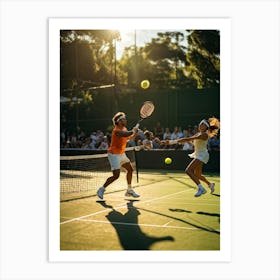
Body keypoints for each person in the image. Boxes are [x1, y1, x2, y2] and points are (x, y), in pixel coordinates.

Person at [162, 117, 220, 197]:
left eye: (202, 124)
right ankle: (210, 184)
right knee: (198, 175)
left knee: (188, 170)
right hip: (199, 154)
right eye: (200, 123)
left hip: (202, 155)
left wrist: (172, 142)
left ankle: (201, 188)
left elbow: (188, 139)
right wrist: (168, 142)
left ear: (206, 127)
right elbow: (190, 141)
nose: (200, 125)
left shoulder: (204, 135)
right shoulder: (198, 134)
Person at [97, 112, 140, 199]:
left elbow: (129, 137)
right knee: (116, 175)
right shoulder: (116, 130)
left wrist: (135, 133)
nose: (125, 120)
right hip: (114, 155)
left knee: (130, 170)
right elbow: (126, 134)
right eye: (124, 119)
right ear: (119, 121)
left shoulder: (124, 128)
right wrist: (133, 131)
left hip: (121, 154)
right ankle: (101, 189)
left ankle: (129, 190)